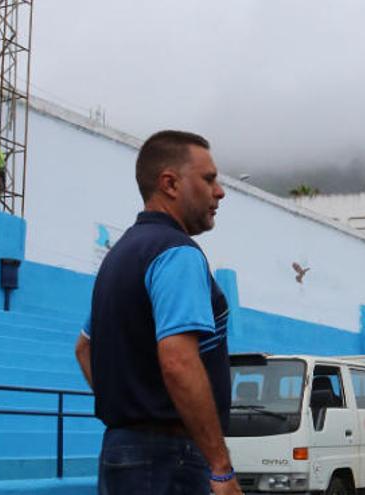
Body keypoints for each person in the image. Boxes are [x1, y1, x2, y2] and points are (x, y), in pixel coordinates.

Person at [73, 130, 241, 495]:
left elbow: (83, 348)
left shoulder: (119, 256)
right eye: (209, 179)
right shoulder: (177, 253)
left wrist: (133, 406)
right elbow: (178, 361)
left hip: (123, 451)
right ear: (170, 183)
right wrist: (220, 467)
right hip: (170, 457)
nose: (220, 192)